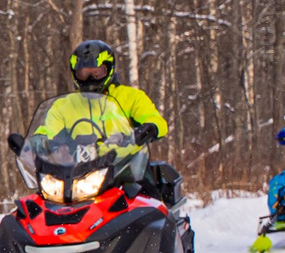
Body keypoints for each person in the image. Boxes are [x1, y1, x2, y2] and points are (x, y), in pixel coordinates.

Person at [34, 40, 181, 207]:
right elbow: (46, 131)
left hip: (126, 169)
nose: (90, 78)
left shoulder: (130, 97)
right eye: (84, 73)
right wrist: (37, 142)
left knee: (150, 202)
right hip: (77, 175)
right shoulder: (62, 106)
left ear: (109, 69)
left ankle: (163, 226)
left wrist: (149, 128)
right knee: (44, 205)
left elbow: (157, 120)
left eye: (96, 72)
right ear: (75, 73)